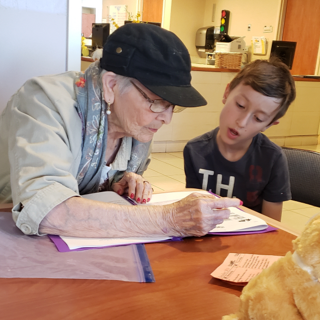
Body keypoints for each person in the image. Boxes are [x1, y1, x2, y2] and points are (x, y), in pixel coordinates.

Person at [0, 23, 241, 237]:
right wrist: (169, 218)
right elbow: (47, 211)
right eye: (157, 102)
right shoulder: (43, 103)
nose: (166, 118)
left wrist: (115, 180)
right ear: (111, 85)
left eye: (172, 107)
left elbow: (88, 176)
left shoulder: (138, 126)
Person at [183, 58, 296, 221]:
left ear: (269, 124)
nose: (241, 122)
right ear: (227, 93)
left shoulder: (273, 159)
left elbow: (272, 226)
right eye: (240, 105)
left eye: (258, 118)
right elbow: (194, 211)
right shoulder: (194, 150)